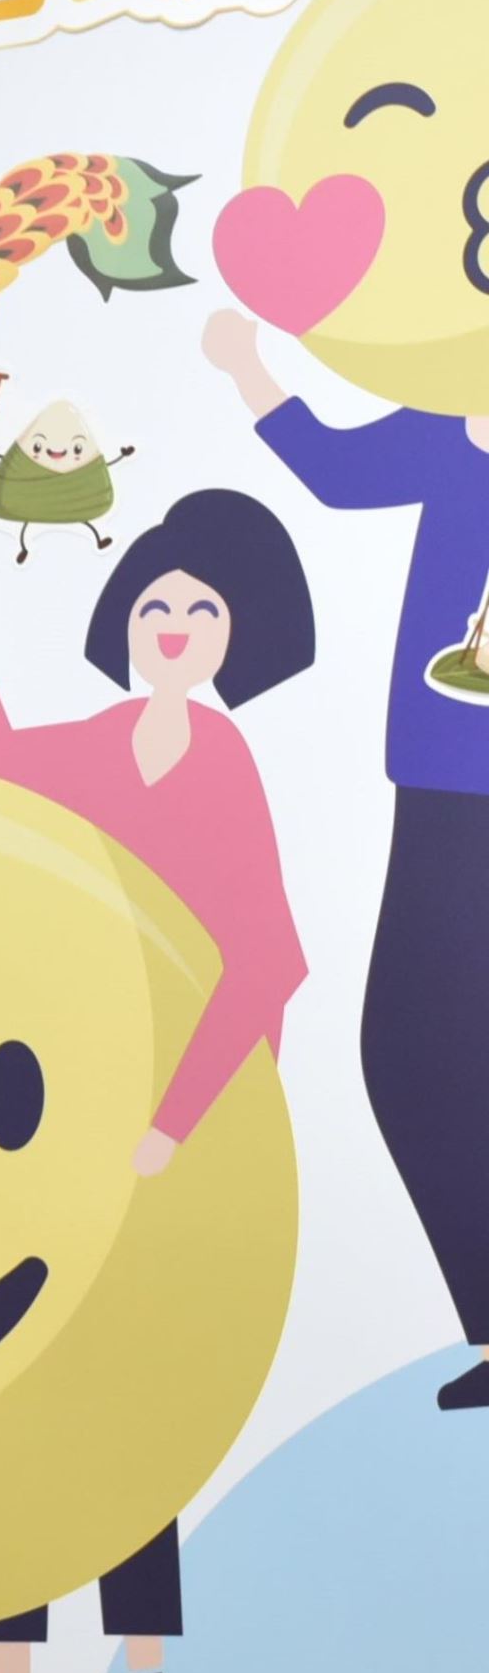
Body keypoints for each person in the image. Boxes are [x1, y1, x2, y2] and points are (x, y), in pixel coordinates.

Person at [0, 491, 316, 1673]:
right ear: (124, 623)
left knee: (134, 1415)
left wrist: (178, 1124)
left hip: (172, 1146)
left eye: (200, 608)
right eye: (154, 604)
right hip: (55, 1127)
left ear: (234, 636)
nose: (173, 625)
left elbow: (267, 961)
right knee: (19, 1413)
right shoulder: (92, 745)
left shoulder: (223, 767)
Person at [204, 306, 489, 1411]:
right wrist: (248, 367)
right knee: (410, 1052)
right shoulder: (446, 428)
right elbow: (336, 470)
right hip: (437, 774)